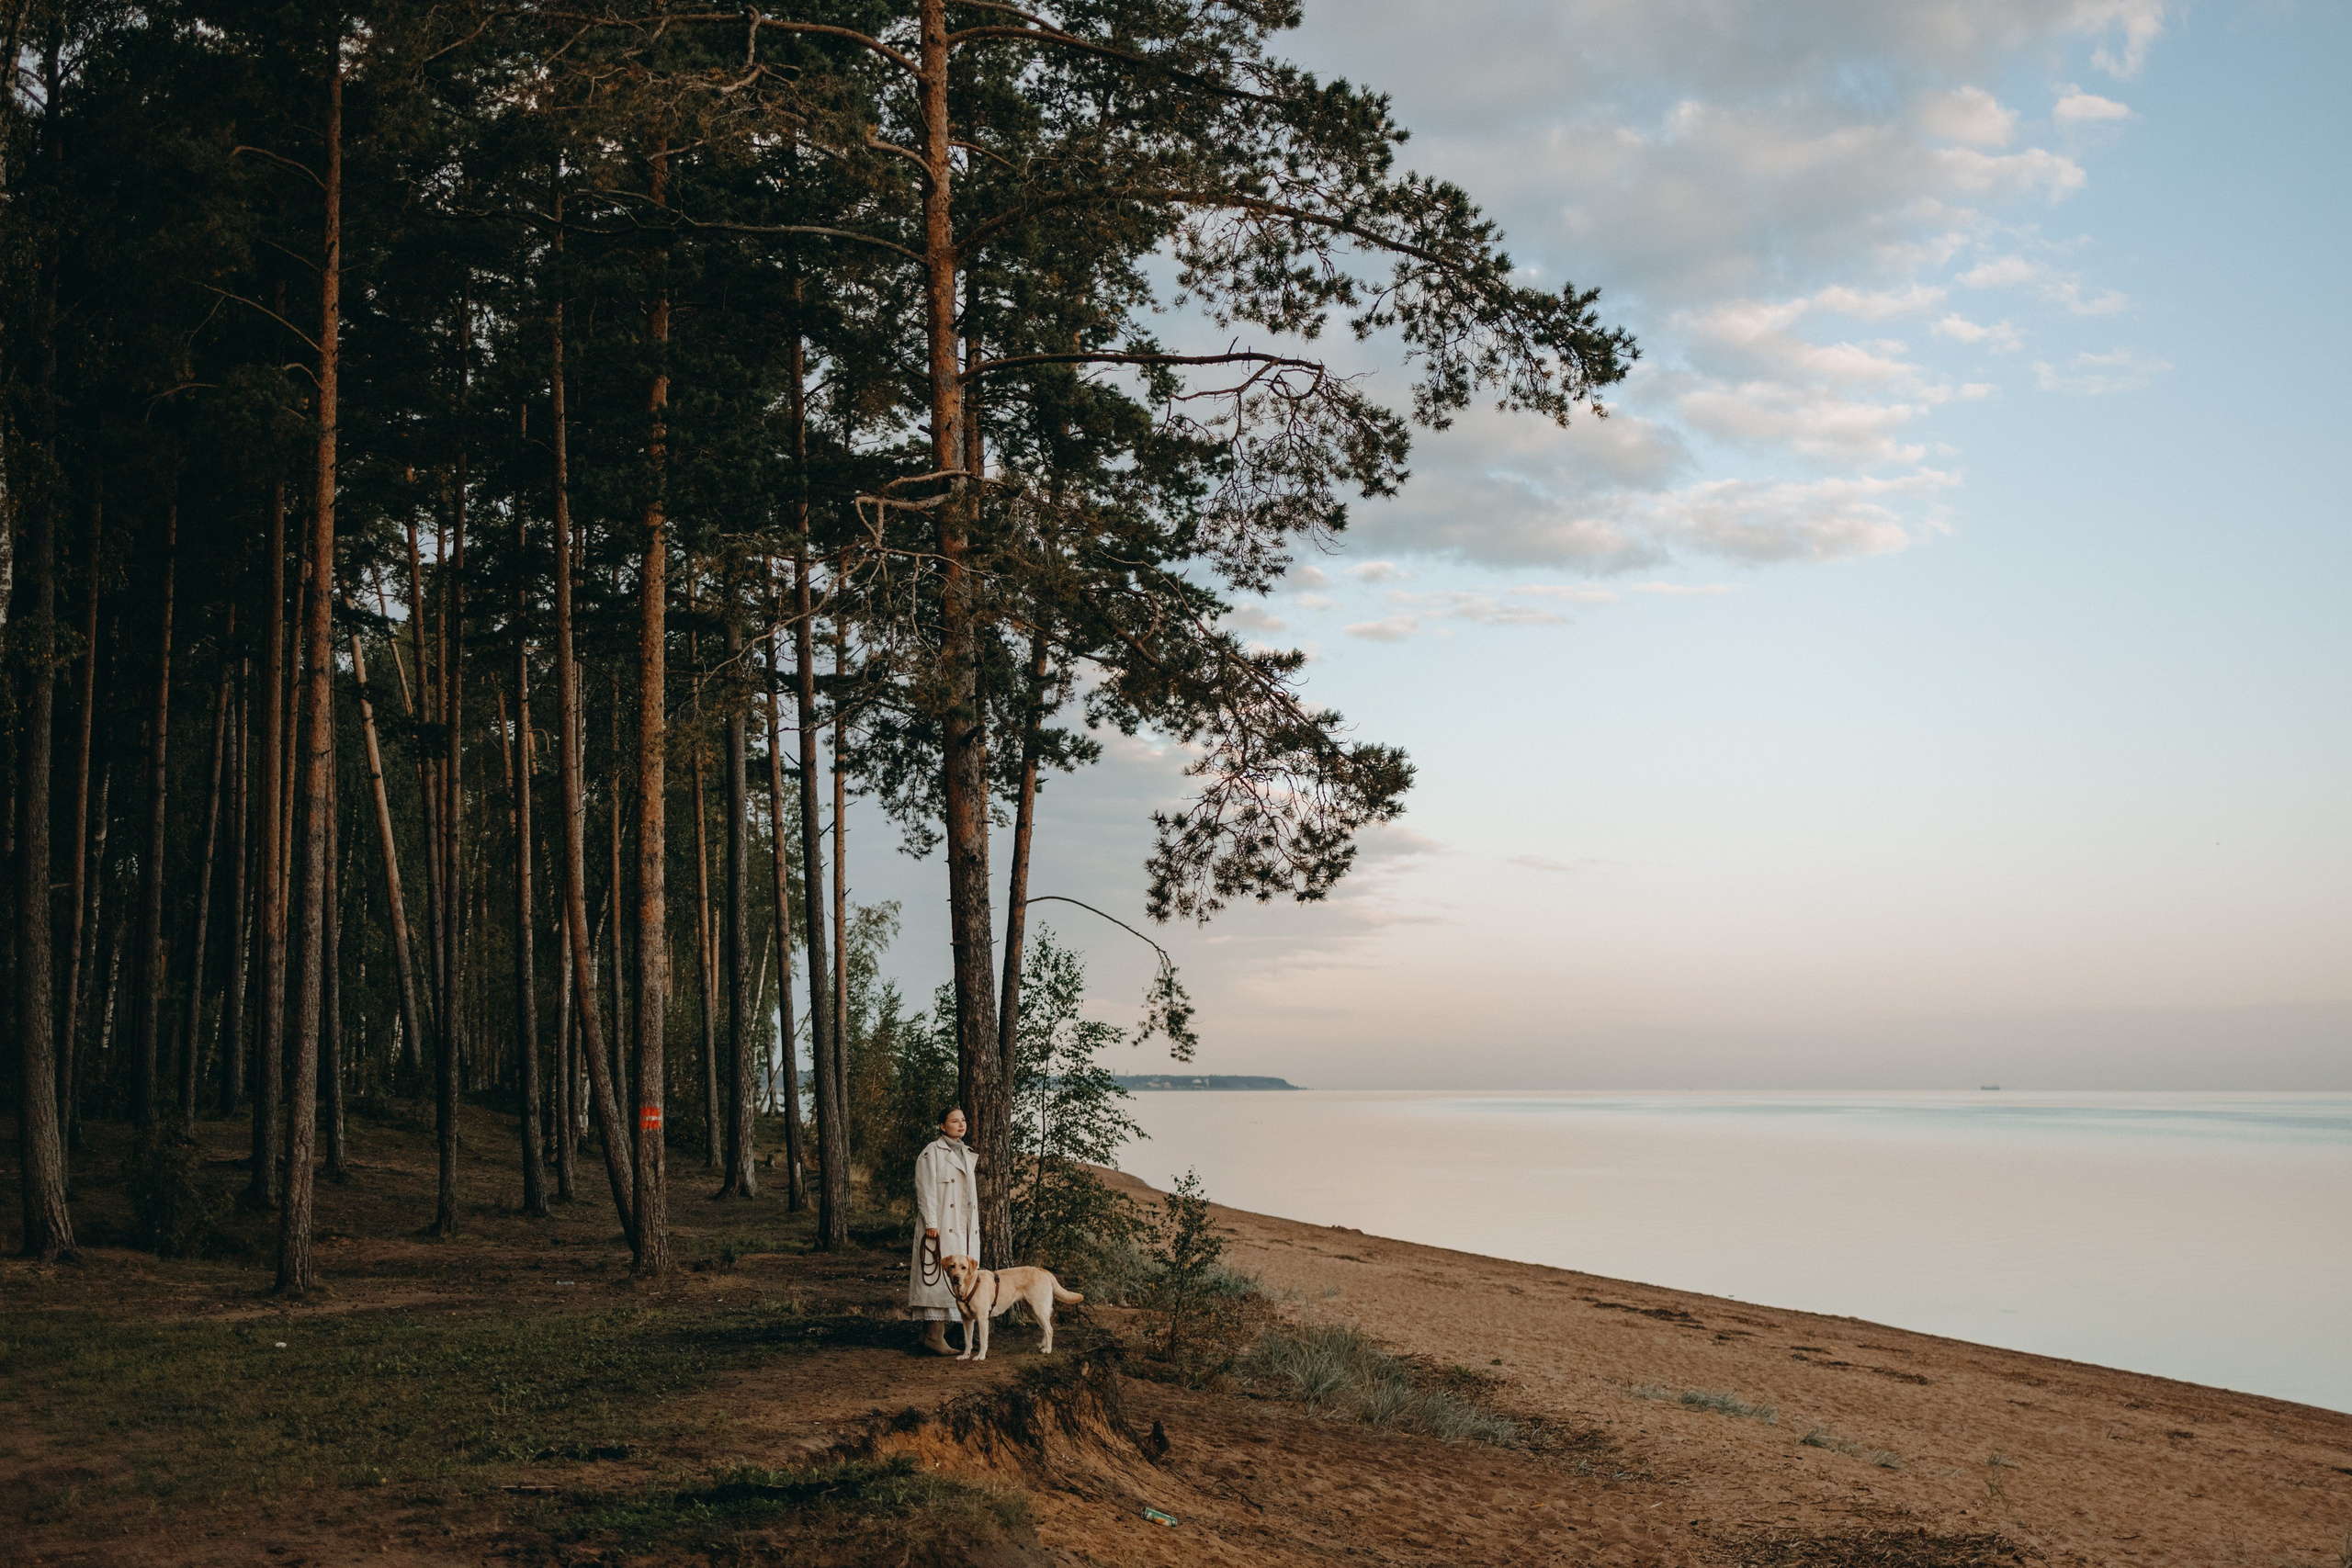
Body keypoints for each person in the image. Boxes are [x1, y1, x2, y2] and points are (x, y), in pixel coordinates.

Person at [909, 1106, 978, 1355]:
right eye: (954, 1121)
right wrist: (931, 1223)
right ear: (942, 1126)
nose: (961, 1125)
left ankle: (927, 1334)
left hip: (961, 1226)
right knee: (937, 1280)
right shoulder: (932, 1153)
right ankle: (935, 1337)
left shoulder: (965, 1153)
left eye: (963, 1120)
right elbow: (925, 1189)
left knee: (954, 1279)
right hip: (940, 1227)